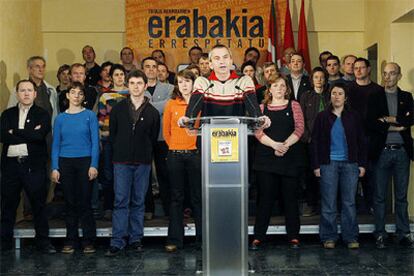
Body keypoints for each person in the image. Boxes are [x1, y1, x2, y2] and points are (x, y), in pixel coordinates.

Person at [106, 70, 160, 256]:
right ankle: (118, 240)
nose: (136, 87)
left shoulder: (153, 112)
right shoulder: (118, 109)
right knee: (121, 200)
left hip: (143, 162)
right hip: (121, 161)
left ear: (145, 86)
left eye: (139, 83)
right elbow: (112, 135)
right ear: (127, 86)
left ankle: (136, 238)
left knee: (138, 201)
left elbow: (153, 138)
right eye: (132, 83)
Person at [0, 80, 55, 253]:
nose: (26, 93)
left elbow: (39, 136)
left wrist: (14, 131)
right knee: (8, 205)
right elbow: (2, 136)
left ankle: (43, 242)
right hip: (11, 166)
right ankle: (4, 242)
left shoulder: (42, 114)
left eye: (29, 90)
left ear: (35, 93)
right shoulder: (7, 114)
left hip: (33, 166)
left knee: (38, 205)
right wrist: (28, 134)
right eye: (22, 90)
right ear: (17, 93)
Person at [250, 75, 304, 250]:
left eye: (282, 86)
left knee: (290, 199)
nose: (279, 88)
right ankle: (258, 237)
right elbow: (257, 132)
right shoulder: (261, 107)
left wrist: (284, 146)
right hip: (266, 159)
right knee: (265, 199)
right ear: (269, 89)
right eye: (275, 85)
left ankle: (294, 236)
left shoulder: (294, 105)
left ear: (286, 89)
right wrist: (274, 145)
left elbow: (300, 128)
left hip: (289, 158)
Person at [311, 83, 367, 249]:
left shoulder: (354, 117)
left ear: (345, 97)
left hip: (350, 164)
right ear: (330, 96)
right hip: (328, 164)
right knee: (329, 202)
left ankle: (351, 237)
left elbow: (362, 141)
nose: (336, 96)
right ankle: (329, 237)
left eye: (340, 93)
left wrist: (362, 164)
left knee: (349, 202)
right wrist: (316, 165)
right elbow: (314, 142)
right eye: (334, 93)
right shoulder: (322, 116)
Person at [367, 62, 414, 249]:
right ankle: (380, 233)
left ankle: (403, 233)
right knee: (379, 197)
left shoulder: (406, 97)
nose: (387, 77)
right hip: (382, 152)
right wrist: (397, 123)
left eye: (392, 73)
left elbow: (410, 120)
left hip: (402, 152)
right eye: (385, 74)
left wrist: (387, 119)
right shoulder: (375, 97)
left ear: (399, 76)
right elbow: (370, 123)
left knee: (401, 196)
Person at [51, 81, 99, 254]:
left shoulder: (90, 116)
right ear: (67, 95)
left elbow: (95, 143)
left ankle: (88, 241)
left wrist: (94, 165)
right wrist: (55, 167)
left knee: (85, 202)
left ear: (84, 97)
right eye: (73, 92)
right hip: (65, 162)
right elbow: (56, 144)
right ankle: (70, 240)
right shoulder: (60, 119)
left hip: (85, 161)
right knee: (70, 203)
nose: (76, 96)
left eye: (80, 93)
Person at [163, 70, 201, 252]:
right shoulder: (171, 104)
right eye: (180, 82)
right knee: (176, 198)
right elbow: (166, 132)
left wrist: (191, 146)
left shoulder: (201, 103)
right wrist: (176, 147)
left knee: (197, 198)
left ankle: (202, 240)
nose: (184, 85)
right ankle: (175, 240)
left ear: (194, 83)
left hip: (195, 154)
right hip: (175, 155)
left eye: (187, 81)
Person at [183, 44, 269, 123]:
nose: (222, 61)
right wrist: (187, 119)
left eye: (225, 57)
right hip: (208, 135)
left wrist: (260, 118)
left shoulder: (244, 81)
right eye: (217, 58)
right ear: (211, 64)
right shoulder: (202, 81)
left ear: (231, 61)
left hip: (236, 134)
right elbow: (193, 108)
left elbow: (253, 107)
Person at [348, 58, 383, 214]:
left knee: (372, 177)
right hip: (351, 140)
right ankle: (352, 209)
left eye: (362, 67)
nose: (359, 70)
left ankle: (371, 208)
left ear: (369, 69)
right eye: (356, 68)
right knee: (351, 178)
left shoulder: (378, 90)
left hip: (372, 139)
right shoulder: (348, 89)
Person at [142, 57, 175, 218]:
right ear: (143, 70)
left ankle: (170, 210)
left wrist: (145, 106)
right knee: (145, 174)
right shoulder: (138, 87)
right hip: (144, 138)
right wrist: (159, 107)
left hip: (164, 137)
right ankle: (148, 209)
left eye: (154, 66)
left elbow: (169, 105)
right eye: (147, 67)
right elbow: (162, 107)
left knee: (165, 173)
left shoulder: (170, 88)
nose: (151, 69)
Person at [97, 64, 129, 220]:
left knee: (126, 174)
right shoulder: (105, 96)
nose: (119, 77)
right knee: (109, 174)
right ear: (111, 77)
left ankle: (126, 206)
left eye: (122, 74)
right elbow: (101, 120)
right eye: (116, 74)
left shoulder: (131, 93)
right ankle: (109, 206)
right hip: (109, 139)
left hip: (128, 141)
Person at [299, 67, 330, 216]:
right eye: (316, 77)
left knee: (329, 174)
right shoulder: (306, 96)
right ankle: (311, 205)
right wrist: (308, 137)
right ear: (312, 80)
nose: (319, 80)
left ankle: (328, 205)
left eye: (322, 77)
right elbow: (300, 119)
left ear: (325, 79)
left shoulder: (331, 95)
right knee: (311, 174)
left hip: (330, 142)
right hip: (311, 141)